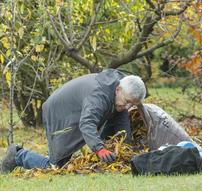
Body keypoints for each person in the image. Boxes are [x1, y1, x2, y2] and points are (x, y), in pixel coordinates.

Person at [0, 69, 146, 173]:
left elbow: (121, 122)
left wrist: (126, 149)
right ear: (118, 89)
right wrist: (99, 148)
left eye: (132, 104)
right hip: (59, 113)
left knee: (65, 162)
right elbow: (87, 123)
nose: (127, 107)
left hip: (76, 111)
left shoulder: (117, 90)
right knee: (56, 166)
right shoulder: (98, 95)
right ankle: (18, 155)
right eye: (127, 101)